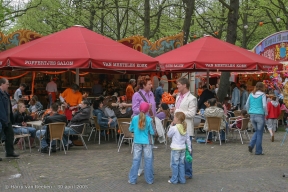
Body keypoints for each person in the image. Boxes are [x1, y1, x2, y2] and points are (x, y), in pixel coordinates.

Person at [170, 77, 197, 179]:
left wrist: (177, 111)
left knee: (186, 151)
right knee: (177, 151)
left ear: (185, 85)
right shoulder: (178, 97)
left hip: (186, 128)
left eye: (178, 85)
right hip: (177, 127)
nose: (177, 86)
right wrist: (174, 112)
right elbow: (178, 110)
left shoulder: (192, 98)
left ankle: (188, 173)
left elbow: (191, 114)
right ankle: (177, 172)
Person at [128, 102, 155, 185]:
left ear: (139, 109)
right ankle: (149, 179)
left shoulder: (134, 118)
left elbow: (130, 129)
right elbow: (153, 132)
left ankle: (132, 179)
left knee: (136, 160)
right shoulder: (149, 120)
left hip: (137, 141)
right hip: (147, 142)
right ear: (148, 110)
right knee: (148, 161)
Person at [167, 111, 192, 184]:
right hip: (183, 148)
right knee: (181, 164)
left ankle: (174, 179)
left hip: (175, 149)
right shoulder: (184, 128)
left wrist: (171, 126)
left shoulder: (174, 128)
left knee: (175, 164)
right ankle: (182, 179)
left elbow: (169, 135)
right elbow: (188, 140)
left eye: (174, 117)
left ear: (177, 119)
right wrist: (189, 148)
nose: (173, 118)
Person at [0, 78, 19, 159]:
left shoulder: (6, 94)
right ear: (2, 84)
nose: (8, 86)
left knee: (10, 135)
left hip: (7, 119)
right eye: (7, 84)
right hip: (2, 119)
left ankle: (10, 152)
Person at [246, 82, 267, 155]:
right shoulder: (263, 95)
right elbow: (264, 105)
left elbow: (247, 104)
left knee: (257, 131)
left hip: (252, 115)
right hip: (260, 115)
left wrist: (249, 111)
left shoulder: (251, 94)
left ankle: (251, 145)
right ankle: (258, 151)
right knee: (259, 133)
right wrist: (266, 113)